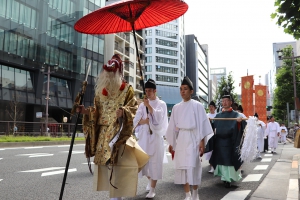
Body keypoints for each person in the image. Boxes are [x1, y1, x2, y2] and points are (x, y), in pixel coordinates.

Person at [77, 54, 138, 200]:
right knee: (107, 165)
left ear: (118, 73)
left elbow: (134, 107)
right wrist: (85, 111)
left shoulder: (127, 89)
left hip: (118, 132)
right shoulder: (100, 92)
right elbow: (96, 111)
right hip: (104, 133)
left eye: (112, 73)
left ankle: (117, 196)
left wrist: (124, 112)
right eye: (107, 73)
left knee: (118, 164)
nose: (109, 76)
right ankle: (114, 196)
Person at [165, 76, 213, 200]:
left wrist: (202, 142)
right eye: (181, 89)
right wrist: (172, 143)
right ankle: (187, 194)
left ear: (191, 91)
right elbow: (173, 127)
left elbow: (202, 125)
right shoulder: (176, 108)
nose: (182, 91)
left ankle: (195, 192)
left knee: (193, 166)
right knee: (182, 167)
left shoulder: (197, 106)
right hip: (181, 139)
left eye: (185, 89)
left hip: (193, 138)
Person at [133, 79, 168, 199]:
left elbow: (159, 119)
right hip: (144, 138)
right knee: (144, 164)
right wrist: (144, 121)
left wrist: (149, 107)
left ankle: (152, 189)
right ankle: (150, 181)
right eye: (146, 91)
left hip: (156, 137)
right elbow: (136, 120)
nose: (148, 93)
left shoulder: (161, 104)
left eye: (150, 91)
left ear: (155, 91)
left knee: (155, 163)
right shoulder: (142, 105)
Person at [206, 94, 246, 188]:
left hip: (230, 142)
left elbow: (242, 126)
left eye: (226, 101)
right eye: (223, 101)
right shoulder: (218, 115)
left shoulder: (236, 115)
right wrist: (209, 122)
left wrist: (240, 122)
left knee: (228, 161)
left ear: (231, 102)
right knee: (221, 160)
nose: (224, 102)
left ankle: (228, 179)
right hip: (219, 141)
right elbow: (212, 126)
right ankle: (224, 178)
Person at [206, 101, 217, 173]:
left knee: (216, 150)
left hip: (217, 135)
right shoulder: (207, 115)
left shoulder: (218, 115)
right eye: (210, 106)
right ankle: (211, 166)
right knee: (210, 150)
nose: (211, 108)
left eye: (212, 106)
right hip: (209, 135)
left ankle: (216, 166)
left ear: (215, 108)